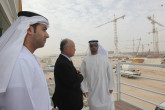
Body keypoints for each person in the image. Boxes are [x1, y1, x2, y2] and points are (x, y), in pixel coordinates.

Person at [0, 11, 55, 110]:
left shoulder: (28, 57)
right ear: (29, 29)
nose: (47, 35)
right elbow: (18, 105)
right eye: (44, 29)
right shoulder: (20, 61)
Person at [80, 40, 115, 110]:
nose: (93, 47)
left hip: (105, 89)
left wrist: (111, 87)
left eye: (95, 45)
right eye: (91, 46)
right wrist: (84, 89)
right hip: (92, 90)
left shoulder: (104, 58)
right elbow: (82, 76)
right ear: (89, 47)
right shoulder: (85, 60)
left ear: (98, 47)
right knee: (93, 106)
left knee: (107, 106)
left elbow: (110, 74)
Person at [52, 38, 84, 110]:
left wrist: (75, 73)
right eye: (73, 47)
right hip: (69, 104)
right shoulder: (63, 63)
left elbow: (68, 77)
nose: (75, 49)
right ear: (66, 49)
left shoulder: (64, 60)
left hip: (69, 102)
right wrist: (81, 76)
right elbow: (73, 82)